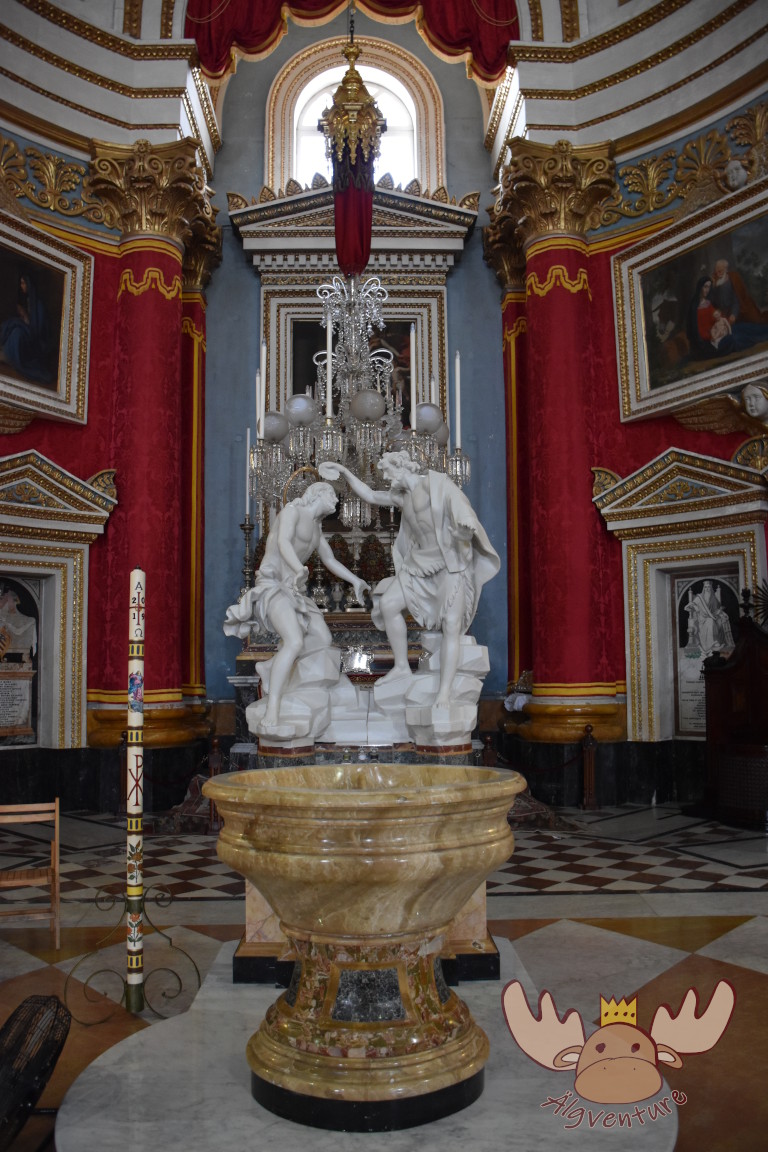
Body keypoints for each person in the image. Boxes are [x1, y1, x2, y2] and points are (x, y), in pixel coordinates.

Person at [319, 452, 500, 708]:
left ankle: (444, 693)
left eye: (387, 472)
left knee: (451, 625)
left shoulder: (438, 485)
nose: (385, 478)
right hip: (418, 566)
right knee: (388, 605)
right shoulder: (402, 497)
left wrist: (464, 529)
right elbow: (370, 495)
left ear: (402, 467)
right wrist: (344, 471)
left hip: (449, 566)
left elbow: (464, 512)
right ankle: (402, 666)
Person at [223, 482, 369, 728]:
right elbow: (283, 542)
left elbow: (330, 560)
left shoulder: (316, 528)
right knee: (294, 642)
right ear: (317, 494)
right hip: (273, 585)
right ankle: (273, 708)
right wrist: (298, 568)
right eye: (332, 496)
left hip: (294, 591)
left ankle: (271, 667)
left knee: (322, 639)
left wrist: (355, 580)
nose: (336, 501)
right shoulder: (292, 512)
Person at [0, 269, 54, 385]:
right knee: (13, 324)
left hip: (36, 341)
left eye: (23, 283)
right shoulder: (29, 300)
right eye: (21, 283)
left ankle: (15, 359)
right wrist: (23, 316)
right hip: (29, 332)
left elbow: (37, 330)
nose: (21, 286)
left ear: (29, 284)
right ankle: (6, 351)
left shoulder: (38, 304)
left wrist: (24, 315)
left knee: (16, 332)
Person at [684, 580, 734, 659]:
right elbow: (687, 607)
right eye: (706, 587)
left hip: (712, 617)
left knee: (713, 620)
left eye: (709, 587)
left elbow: (715, 610)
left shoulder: (713, 598)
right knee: (710, 621)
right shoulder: (699, 598)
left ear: (711, 588)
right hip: (701, 620)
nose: (707, 589)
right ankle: (711, 645)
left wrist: (720, 612)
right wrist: (694, 607)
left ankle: (714, 643)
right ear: (704, 588)